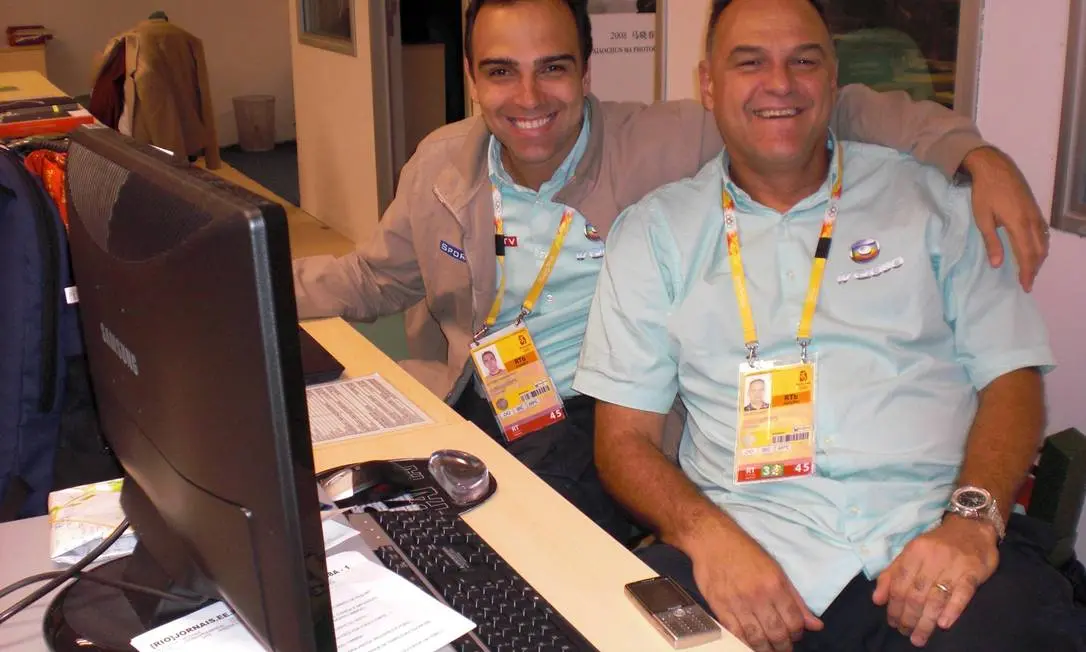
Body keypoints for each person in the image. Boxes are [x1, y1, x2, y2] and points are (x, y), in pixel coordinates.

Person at [292, 0, 1051, 544]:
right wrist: (248, 279)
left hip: (590, 409)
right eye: (501, 73)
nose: (528, 99)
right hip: (470, 391)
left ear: (587, 71)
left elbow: (821, 105)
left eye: (553, 69)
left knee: (514, 537)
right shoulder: (440, 166)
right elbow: (375, 279)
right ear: (471, 76)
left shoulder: (666, 139)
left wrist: (972, 154)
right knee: (358, 501)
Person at [573, 0, 1080, 650]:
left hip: (931, 541)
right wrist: (708, 537)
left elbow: (1013, 377)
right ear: (708, 84)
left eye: (802, 62)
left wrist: (971, 522)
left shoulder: (934, 204)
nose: (779, 83)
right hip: (747, 546)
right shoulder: (654, 236)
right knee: (606, 632)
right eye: (749, 62)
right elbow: (623, 440)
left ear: (832, 81)